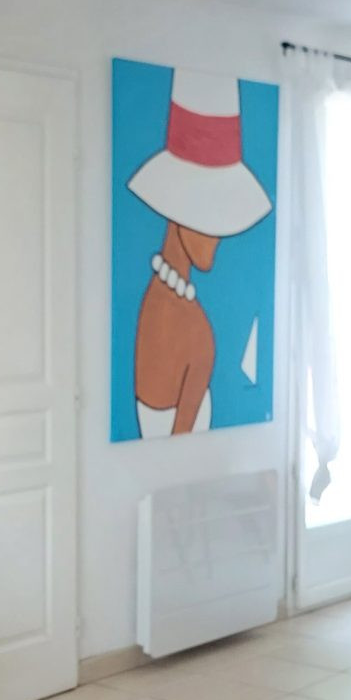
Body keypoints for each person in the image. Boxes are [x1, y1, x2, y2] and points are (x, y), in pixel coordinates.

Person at [127, 70, 271, 437]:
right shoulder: (196, 335)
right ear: (179, 217)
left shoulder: (153, 302)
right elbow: (178, 447)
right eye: (209, 224)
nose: (217, 239)